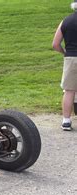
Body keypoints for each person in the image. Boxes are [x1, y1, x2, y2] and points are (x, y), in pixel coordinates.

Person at [52, 0, 77, 131]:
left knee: (69, 91)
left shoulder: (66, 21)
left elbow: (55, 44)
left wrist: (65, 53)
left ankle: (66, 121)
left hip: (71, 57)